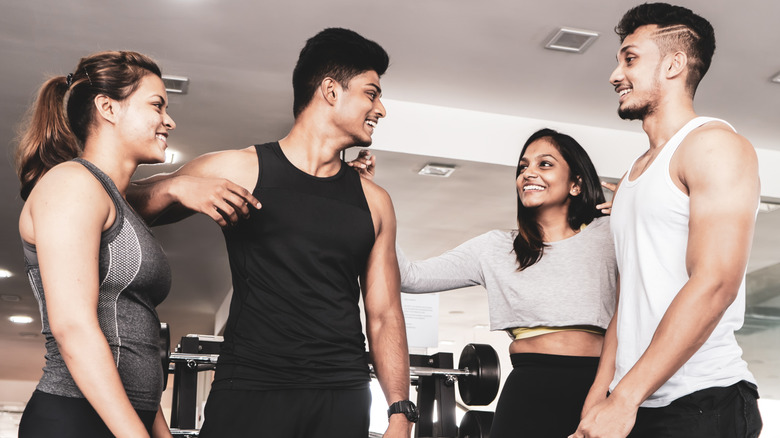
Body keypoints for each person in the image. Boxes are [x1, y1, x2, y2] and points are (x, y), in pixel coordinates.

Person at [127, 28, 414, 438]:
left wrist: (400, 412)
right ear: (330, 91)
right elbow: (112, 200)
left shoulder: (375, 202)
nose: (380, 108)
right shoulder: (243, 168)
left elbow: (385, 315)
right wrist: (173, 186)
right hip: (251, 389)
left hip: (343, 395)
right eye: (372, 93)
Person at [571, 3, 762, 438]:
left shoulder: (714, 146)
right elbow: (629, 298)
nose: (615, 74)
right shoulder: (636, 171)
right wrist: (602, 392)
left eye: (630, 58)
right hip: (637, 399)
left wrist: (624, 397)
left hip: (702, 400)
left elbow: (715, 283)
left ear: (674, 64)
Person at [370, 128, 618, 437]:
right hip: (527, 391)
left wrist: (637, 211)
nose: (528, 173)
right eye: (523, 167)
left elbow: (677, 265)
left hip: (596, 388)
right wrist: (373, 203)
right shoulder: (495, 248)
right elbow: (409, 277)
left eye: (544, 164)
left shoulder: (609, 234)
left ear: (576, 184)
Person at [14, 51, 176, 438]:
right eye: (157, 105)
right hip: (74, 418)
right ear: (108, 107)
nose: (169, 120)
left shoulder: (115, 202)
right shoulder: (71, 183)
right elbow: (73, 327)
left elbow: (131, 339)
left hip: (121, 420)